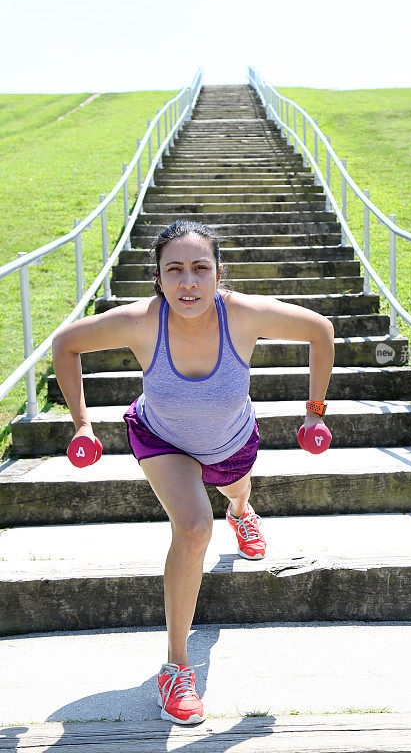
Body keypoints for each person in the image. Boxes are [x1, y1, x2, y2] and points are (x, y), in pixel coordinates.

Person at [52, 219, 335, 725]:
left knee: (235, 492)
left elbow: (320, 330)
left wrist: (315, 410)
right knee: (195, 526)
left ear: (219, 273)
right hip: (162, 437)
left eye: (200, 269)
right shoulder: (141, 321)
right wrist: (81, 424)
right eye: (174, 270)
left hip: (229, 440)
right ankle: (176, 669)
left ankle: (243, 510)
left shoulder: (244, 314)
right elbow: (66, 344)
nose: (188, 283)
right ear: (157, 279)